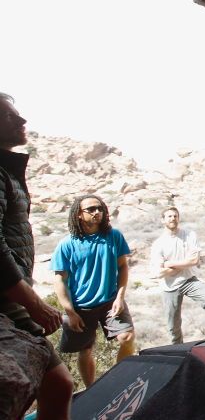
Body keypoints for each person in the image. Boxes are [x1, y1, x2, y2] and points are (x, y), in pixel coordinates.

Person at [0, 92, 73, 419]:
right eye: (9, 116)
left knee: (57, 384)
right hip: (6, 300)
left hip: (10, 297)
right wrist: (33, 303)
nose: (22, 120)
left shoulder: (7, 171)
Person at [52, 194, 135, 387]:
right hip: (82, 306)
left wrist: (120, 297)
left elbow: (122, 267)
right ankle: (92, 389)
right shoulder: (67, 244)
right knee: (86, 349)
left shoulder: (114, 236)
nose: (97, 212)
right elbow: (60, 280)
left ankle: (120, 381)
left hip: (110, 301)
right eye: (91, 209)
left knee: (127, 337)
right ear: (79, 215)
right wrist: (70, 312)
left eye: (100, 208)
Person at [150, 207, 205, 344]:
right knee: (173, 325)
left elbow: (194, 261)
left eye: (175, 216)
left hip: (189, 279)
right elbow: (159, 272)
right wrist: (184, 264)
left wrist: (168, 264)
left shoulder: (189, 235)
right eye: (169, 216)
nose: (173, 219)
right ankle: (177, 349)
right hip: (169, 286)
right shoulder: (158, 244)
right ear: (163, 220)